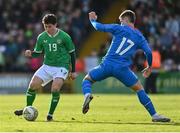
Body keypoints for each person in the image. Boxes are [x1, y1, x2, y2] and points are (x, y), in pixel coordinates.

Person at [82, 10, 170, 122]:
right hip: (122, 69)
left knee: (87, 80)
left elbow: (99, 27)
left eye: (121, 20)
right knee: (139, 89)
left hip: (107, 65)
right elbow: (148, 52)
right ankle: (154, 115)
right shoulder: (139, 36)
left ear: (126, 19)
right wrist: (149, 66)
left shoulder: (118, 28)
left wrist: (92, 20)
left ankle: (87, 95)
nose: (120, 22)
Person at [14, 14, 77, 121]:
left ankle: (50, 115)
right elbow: (38, 53)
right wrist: (31, 53)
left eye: (50, 26)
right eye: (45, 26)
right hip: (47, 65)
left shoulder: (65, 36)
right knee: (32, 85)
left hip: (62, 66)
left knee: (55, 88)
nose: (48, 29)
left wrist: (73, 71)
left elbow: (72, 53)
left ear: (56, 25)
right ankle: (27, 109)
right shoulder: (41, 37)